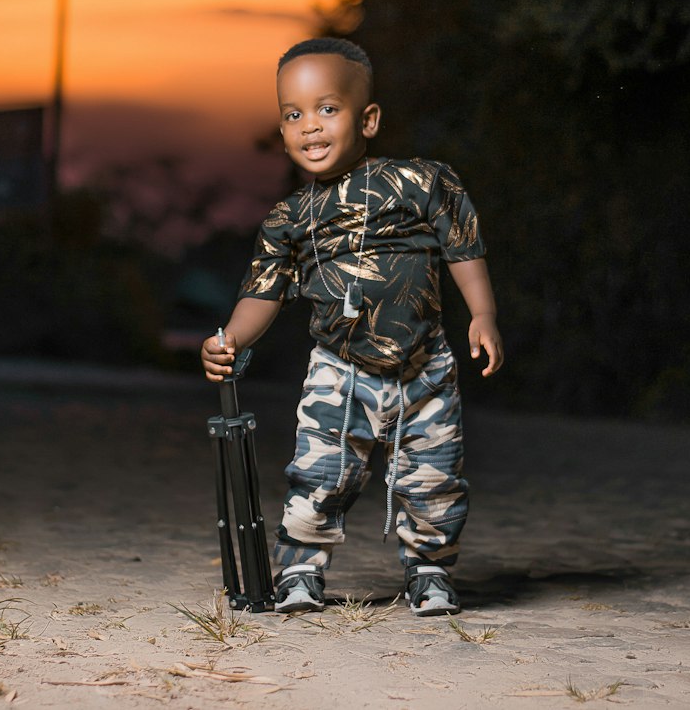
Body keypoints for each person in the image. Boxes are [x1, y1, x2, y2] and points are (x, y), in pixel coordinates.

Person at [202, 37, 503, 617]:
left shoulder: (421, 183)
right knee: (319, 475)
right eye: (294, 114)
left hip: (426, 364)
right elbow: (261, 292)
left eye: (327, 109)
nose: (309, 126)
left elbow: (462, 246)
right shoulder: (288, 220)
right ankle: (299, 574)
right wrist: (232, 337)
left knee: (434, 480)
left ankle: (430, 572)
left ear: (367, 120)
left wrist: (483, 314)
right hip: (339, 370)